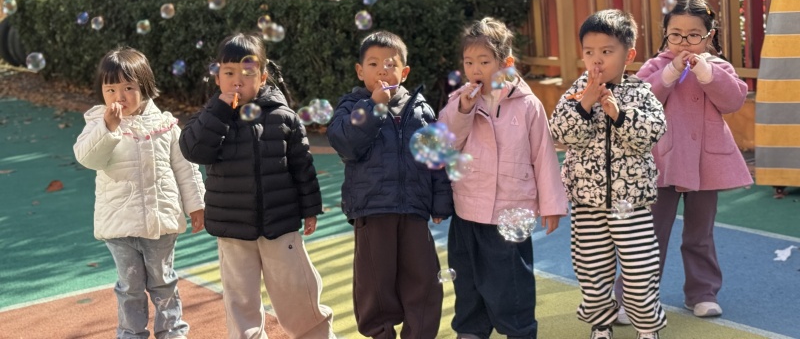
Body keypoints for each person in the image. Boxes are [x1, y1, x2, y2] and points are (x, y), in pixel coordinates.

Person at [179, 33, 334, 339]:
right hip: (233, 229)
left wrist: (310, 208)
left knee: (298, 294)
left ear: (263, 77)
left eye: (247, 73)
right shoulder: (211, 117)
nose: (237, 80)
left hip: (281, 224)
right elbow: (194, 151)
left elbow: (302, 166)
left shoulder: (283, 116)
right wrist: (219, 112)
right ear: (217, 77)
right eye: (229, 73)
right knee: (241, 302)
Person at [619, 0, 751, 320]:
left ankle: (702, 292)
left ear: (709, 36)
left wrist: (706, 73)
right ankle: (634, 297)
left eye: (694, 35)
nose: (684, 43)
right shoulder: (655, 66)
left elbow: (733, 100)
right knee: (649, 235)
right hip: (661, 164)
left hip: (707, 166)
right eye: (676, 35)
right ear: (665, 34)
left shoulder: (718, 67)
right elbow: (637, 101)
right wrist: (668, 74)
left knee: (700, 234)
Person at [437, 17, 568, 339]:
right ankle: (471, 331)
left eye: (484, 61)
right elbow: (445, 146)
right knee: (467, 282)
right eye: (469, 62)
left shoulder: (528, 105)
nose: (475, 69)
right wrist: (463, 111)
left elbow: (543, 156)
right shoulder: (459, 102)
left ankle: (519, 332)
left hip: (511, 213)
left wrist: (552, 204)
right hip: (468, 211)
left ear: (505, 63)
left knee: (512, 286)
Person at [326, 30, 454, 339]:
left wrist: (440, 201)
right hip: (373, 210)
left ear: (404, 72)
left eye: (390, 64)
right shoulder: (352, 106)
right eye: (373, 64)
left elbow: (436, 159)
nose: (382, 71)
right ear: (360, 71)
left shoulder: (421, 110)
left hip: (414, 210)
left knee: (424, 280)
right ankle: (381, 333)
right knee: (375, 283)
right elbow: (346, 143)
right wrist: (373, 106)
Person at [550, 9, 668, 339]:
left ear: (628, 55)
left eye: (606, 51)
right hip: (587, 204)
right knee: (592, 273)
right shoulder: (577, 91)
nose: (597, 60)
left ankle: (647, 328)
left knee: (640, 271)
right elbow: (559, 132)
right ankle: (601, 325)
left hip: (632, 204)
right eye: (589, 52)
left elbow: (653, 132)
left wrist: (619, 114)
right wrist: (584, 105)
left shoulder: (640, 93)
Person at [73, 47, 206, 339]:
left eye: (128, 88)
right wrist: (108, 128)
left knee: (163, 282)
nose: (119, 97)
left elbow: (186, 168)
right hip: (120, 225)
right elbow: (88, 159)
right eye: (111, 89)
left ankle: (172, 331)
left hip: (160, 223)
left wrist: (196, 205)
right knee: (130, 287)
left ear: (144, 88)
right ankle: (131, 334)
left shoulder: (166, 126)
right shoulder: (97, 124)